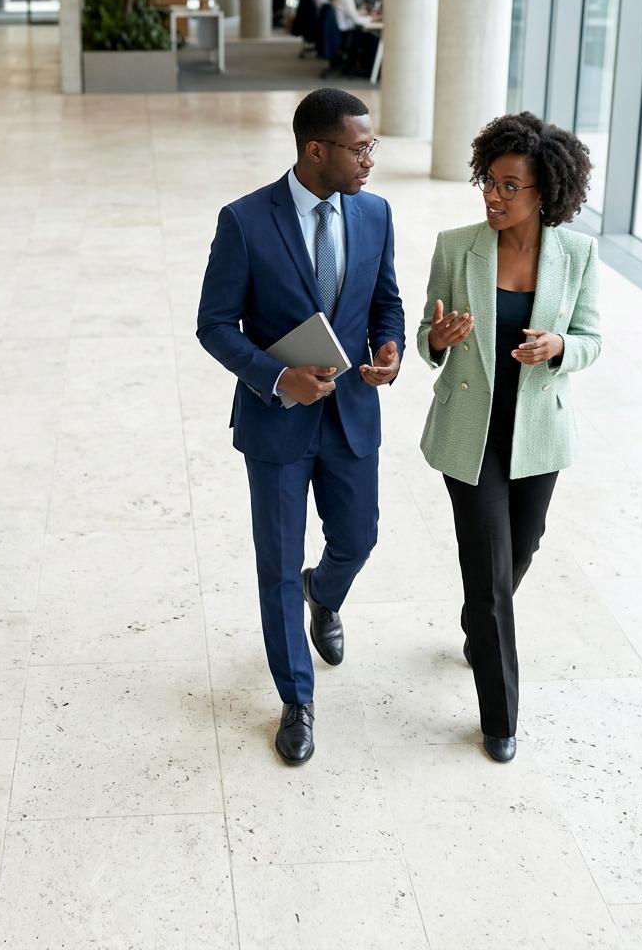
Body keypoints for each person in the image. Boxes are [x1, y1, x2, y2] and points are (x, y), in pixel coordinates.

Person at [197, 89, 405, 764]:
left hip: (351, 416)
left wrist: (389, 350)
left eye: (372, 146)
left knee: (359, 537)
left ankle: (329, 591)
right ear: (318, 150)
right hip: (276, 422)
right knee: (278, 566)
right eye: (361, 147)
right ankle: (297, 699)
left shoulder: (375, 215)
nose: (371, 160)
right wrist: (278, 377)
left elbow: (386, 305)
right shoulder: (245, 221)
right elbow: (214, 326)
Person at [416, 112, 600, 764]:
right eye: (488, 183)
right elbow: (425, 337)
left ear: (544, 192)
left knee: (524, 546)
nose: (493, 196)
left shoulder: (576, 255)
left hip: (537, 433)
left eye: (509, 187)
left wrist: (559, 347)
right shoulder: (455, 247)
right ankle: (500, 718)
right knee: (489, 577)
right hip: (471, 433)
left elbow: (592, 340)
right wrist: (437, 341)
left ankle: (478, 630)